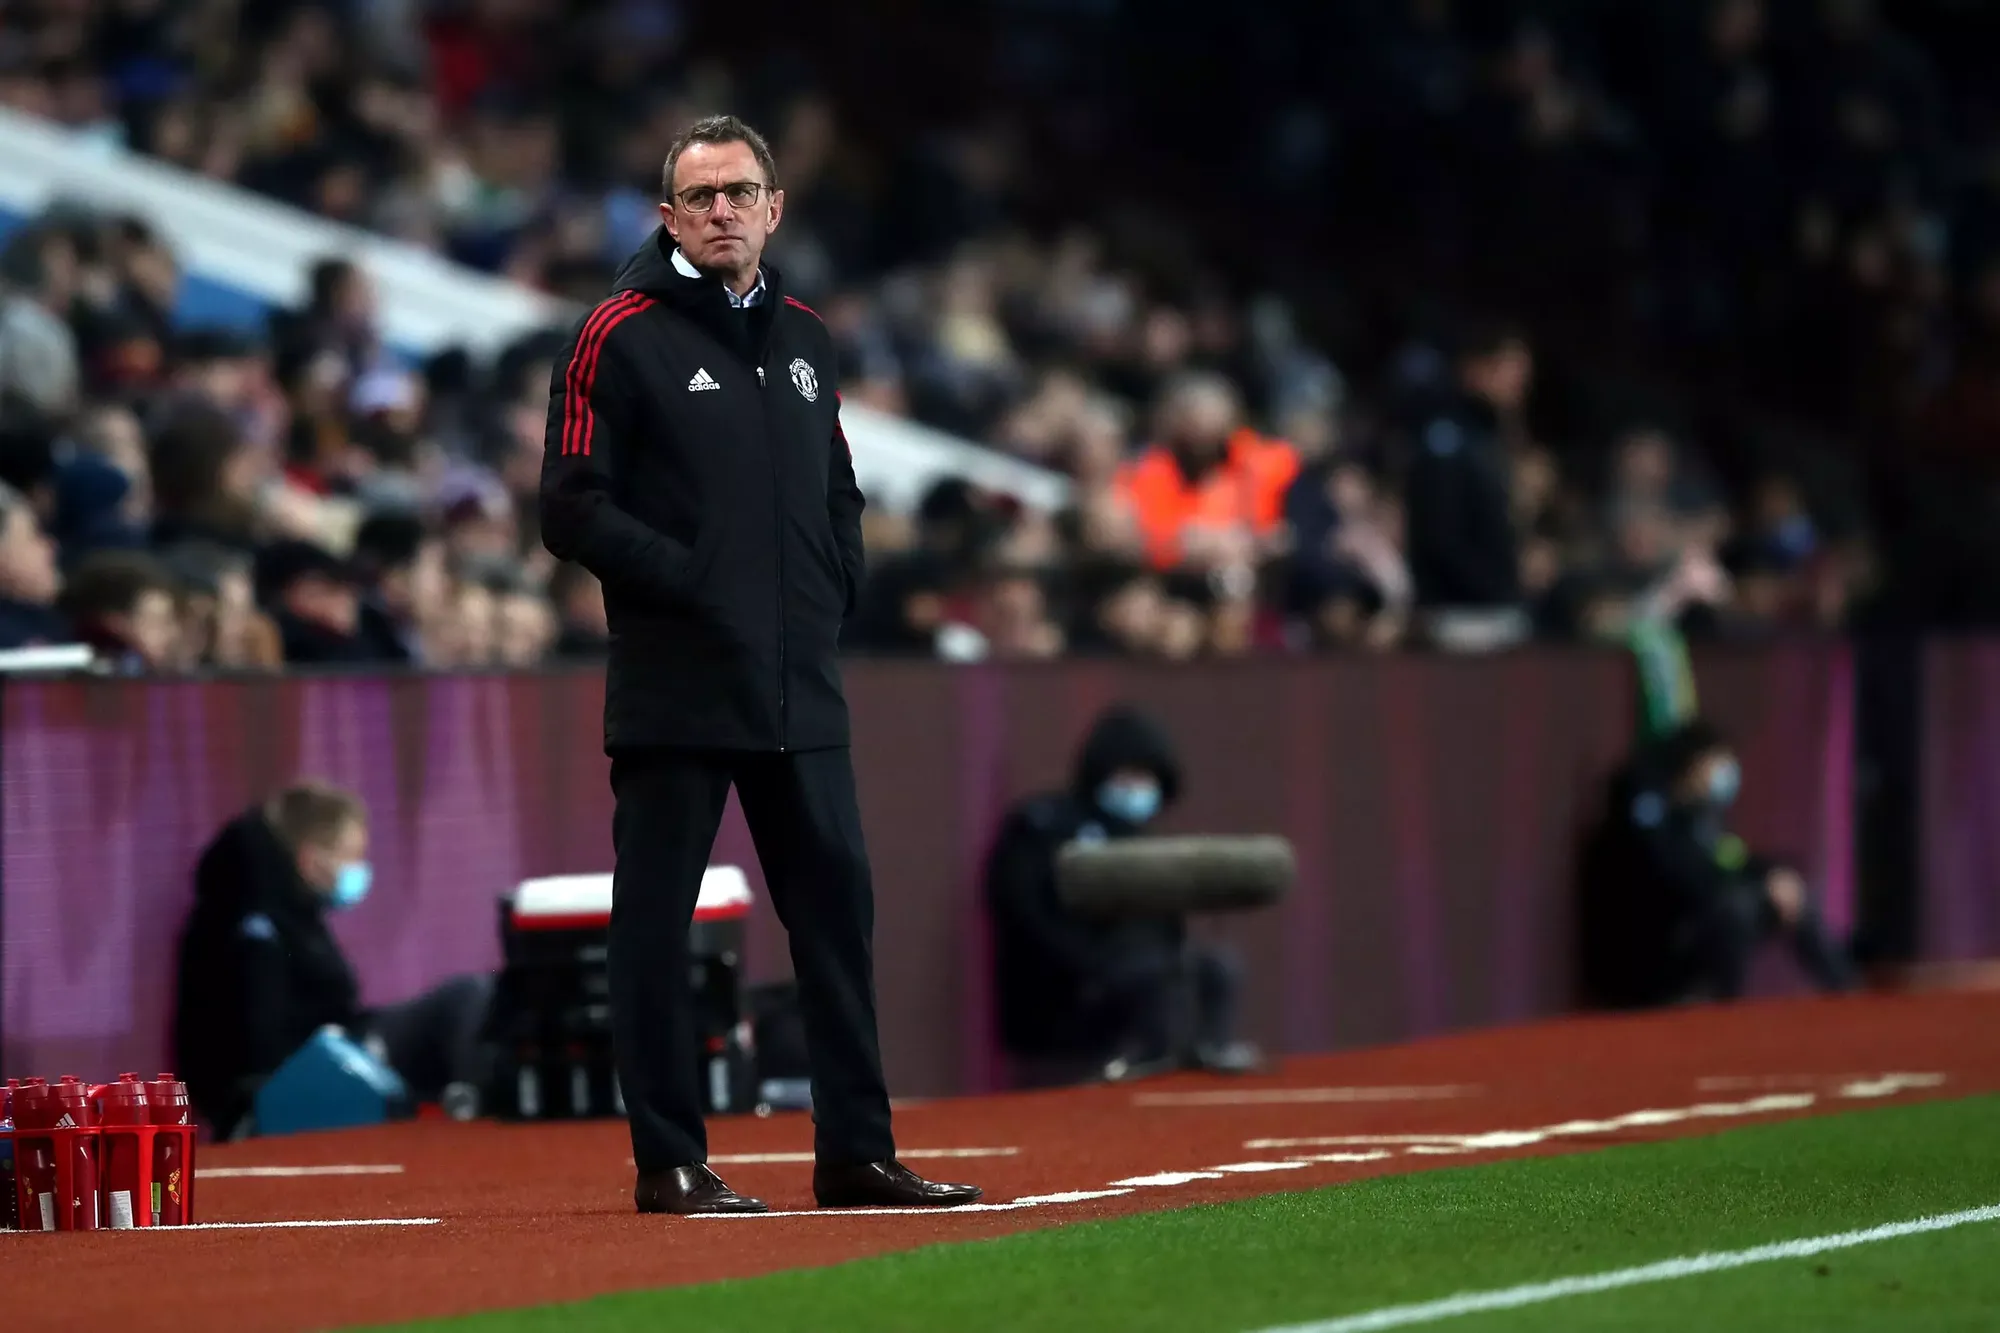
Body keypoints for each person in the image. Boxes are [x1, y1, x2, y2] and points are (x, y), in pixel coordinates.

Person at [538, 114, 980, 1215]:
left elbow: (836, 483)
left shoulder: (808, 338)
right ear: (668, 215)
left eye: (740, 192)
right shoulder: (614, 333)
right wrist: (692, 583)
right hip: (678, 685)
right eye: (700, 197)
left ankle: (856, 1153)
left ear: (775, 208)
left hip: (801, 685)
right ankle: (669, 1162)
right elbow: (569, 506)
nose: (722, 211)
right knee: (655, 926)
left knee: (837, 921)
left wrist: (831, 581)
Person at [172, 782, 496, 1140]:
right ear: (310, 860)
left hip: (337, 1049)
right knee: (461, 999)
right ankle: (483, 1112)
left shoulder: (285, 913)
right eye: (352, 856)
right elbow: (257, 1046)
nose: (359, 869)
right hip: (309, 1070)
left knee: (470, 997)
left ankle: (478, 1101)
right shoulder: (254, 928)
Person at [985, 704, 1261, 1083]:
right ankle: (1139, 1056)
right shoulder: (1045, 825)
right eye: (1128, 775)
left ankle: (1207, 1048)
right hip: (1065, 988)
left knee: (1213, 965)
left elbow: (1167, 922)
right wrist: (1090, 961)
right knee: (1145, 974)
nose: (1137, 789)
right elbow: (1022, 905)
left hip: (1137, 969)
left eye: (1147, 779)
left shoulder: (1143, 842)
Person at [1576, 718, 1858, 1009]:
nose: (1724, 774)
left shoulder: (1701, 816)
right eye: (1718, 764)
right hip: (1647, 949)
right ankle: (1723, 1012)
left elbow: (1730, 859)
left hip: (1694, 927)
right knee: (1732, 909)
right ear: (1695, 763)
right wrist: (1744, 883)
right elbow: (1678, 874)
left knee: (1786, 891)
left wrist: (1772, 875)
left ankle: (1846, 991)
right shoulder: (1646, 805)